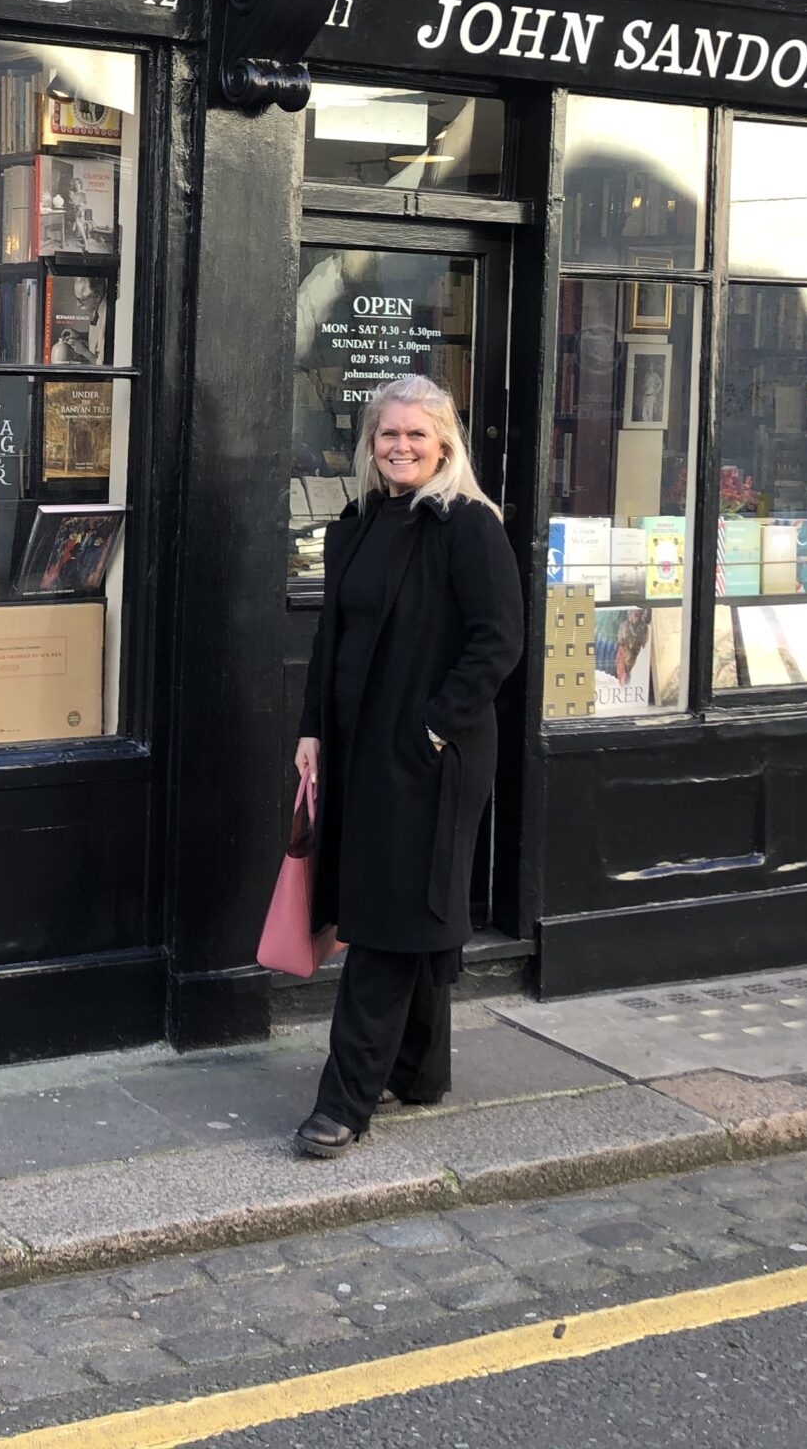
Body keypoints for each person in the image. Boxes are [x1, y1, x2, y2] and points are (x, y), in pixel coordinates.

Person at [288, 373, 523, 1158]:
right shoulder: (354, 524)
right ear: (370, 443)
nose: (401, 447)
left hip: (430, 756)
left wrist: (434, 729)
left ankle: (345, 1101)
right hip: (358, 747)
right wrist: (312, 729)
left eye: (417, 435)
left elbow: (498, 640)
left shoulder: (468, 527)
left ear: (445, 443)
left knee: (387, 919)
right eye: (388, 434)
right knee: (401, 903)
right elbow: (333, 639)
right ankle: (419, 1070)